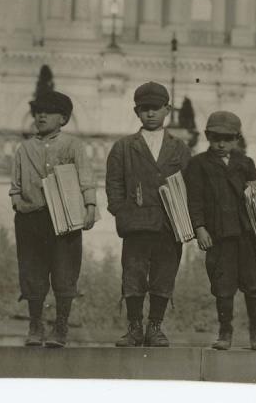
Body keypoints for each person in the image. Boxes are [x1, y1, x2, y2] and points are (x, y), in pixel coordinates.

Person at [105, 81, 192, 347]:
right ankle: (134, 327)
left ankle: (154, 327)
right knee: (133, 274)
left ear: (167, 109)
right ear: (136, 112)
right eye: (144, 109)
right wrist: (122, 211)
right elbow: (114, 183)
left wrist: (184, 217)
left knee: (164, 275)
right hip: (136, 224)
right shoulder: (123, 147)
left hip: (169, 224)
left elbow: (190, 184)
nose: (150, 114)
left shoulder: (180, 148)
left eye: (156, 108)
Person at [9, 90, 97, 348]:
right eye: (38, 112)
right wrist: (17, 202)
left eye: (48, 111)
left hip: (66, 219)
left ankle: (61, 326)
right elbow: (15, 185)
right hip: (31, 219)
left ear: (64, 118)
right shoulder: (24, 149)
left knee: (64, 272)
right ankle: (35, 325)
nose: (41, 116)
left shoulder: (73, 146)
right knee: (32, 272)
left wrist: (89, 205)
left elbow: (85, 177)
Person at [184, 111, 256, 351]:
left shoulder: (246, 163)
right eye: (216, 138)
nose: (221, 144)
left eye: (228, 138)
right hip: (219, 235)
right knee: (223, 285)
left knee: (254, 284)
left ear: (236, 138)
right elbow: (195, 200)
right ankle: (225, 331)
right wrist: (199, 227)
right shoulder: (198, 164)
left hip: (248, 235)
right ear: (208, 136)